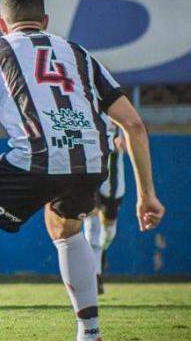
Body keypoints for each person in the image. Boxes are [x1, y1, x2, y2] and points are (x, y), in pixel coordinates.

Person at [0, 0, 166, 341]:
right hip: (91, 159)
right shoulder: (78, 53)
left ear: (1, 24)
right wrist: (146, 194)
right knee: (65, 229)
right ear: (45, 21)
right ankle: (90, 332)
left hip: (37, 157)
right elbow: (134, 125)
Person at [83, 126, 126, 294]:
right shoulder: (83, 111)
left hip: (112, 183)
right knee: (91, 225)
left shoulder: (121, 116)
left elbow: (137, 132)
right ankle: (95, 277)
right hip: (88, 175)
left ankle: (101, 253)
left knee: (107, 233)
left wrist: (125, 142)